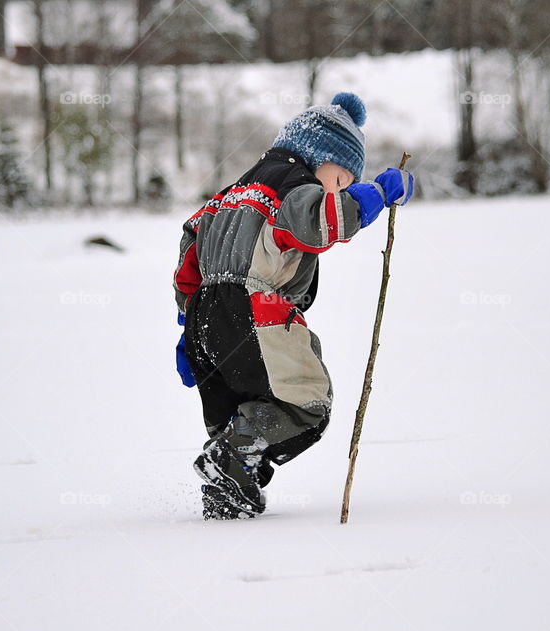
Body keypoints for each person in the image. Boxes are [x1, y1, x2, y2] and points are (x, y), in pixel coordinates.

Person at [172, 92, 414, 519]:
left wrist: (187, 323)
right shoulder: (293, 186)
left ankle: (228, 494)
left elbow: (190, 249)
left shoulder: (230, 193)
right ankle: (232, 460)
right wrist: (376, 192)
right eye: (340, 180)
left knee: (234, 417)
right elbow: (322, 222)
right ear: (321, 157)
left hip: (206, 317)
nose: (338, 190)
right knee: (304, 404)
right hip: (256, 309)